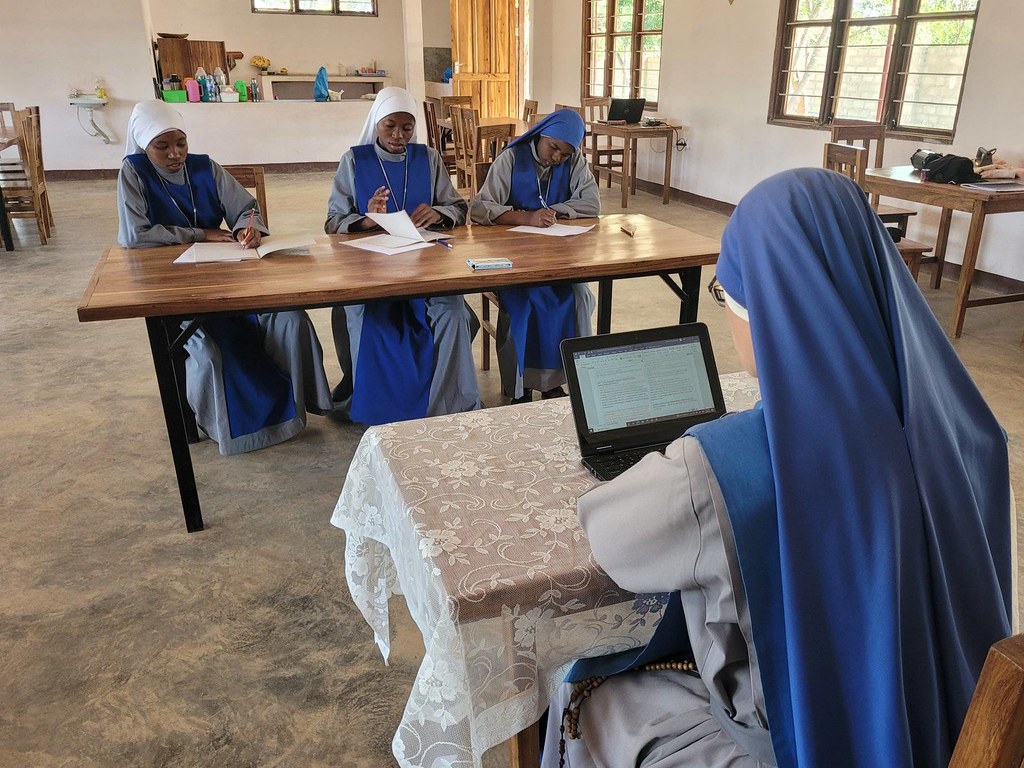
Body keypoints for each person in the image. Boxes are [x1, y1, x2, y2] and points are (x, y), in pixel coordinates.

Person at [543, 168, 1012, 768]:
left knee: (584, 690)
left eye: (725, 295)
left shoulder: (729, 463)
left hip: (800, 746)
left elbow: (613, 540)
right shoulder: (971, 431)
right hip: (944, 727)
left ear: (764, 305)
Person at [118, 99, 333, 455]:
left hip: (228, 275)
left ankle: (298, 406)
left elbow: (246, 208)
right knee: (214, 350)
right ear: (144, 144)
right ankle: (222, 421)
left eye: (181, 143)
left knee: (291, 317)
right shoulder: (133, 172)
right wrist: (200, 234)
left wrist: (244, 230)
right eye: (163, 146)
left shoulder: (206, 168)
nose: (175, 154)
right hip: (173, 285)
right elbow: (135, 235)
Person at [324, 86, 480, 425]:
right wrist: (366, 219)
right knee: (372, 322)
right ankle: (375, 409)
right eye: (390, 126)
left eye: (407, 127)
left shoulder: (429, 158)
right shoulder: (354, 160)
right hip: (371, 271)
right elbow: (333, 222)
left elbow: (457, 206)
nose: (399, 135)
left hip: (426, 268)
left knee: (453, 312)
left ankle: (450, 407)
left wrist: (437, 213)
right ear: (377, 123)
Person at [470, 109, 600, 403]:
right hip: (513, 259)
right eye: (553, 148)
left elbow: (591, 203)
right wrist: (524, 218)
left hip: (558, 257)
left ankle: (559, 379)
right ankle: (519, 385)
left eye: (565, 155)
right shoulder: (512, 158)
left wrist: (556, 211)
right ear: (541, 135)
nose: (557, 158)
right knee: (523, 304)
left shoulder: (575, 161)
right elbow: (480, 209)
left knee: (576, 297)